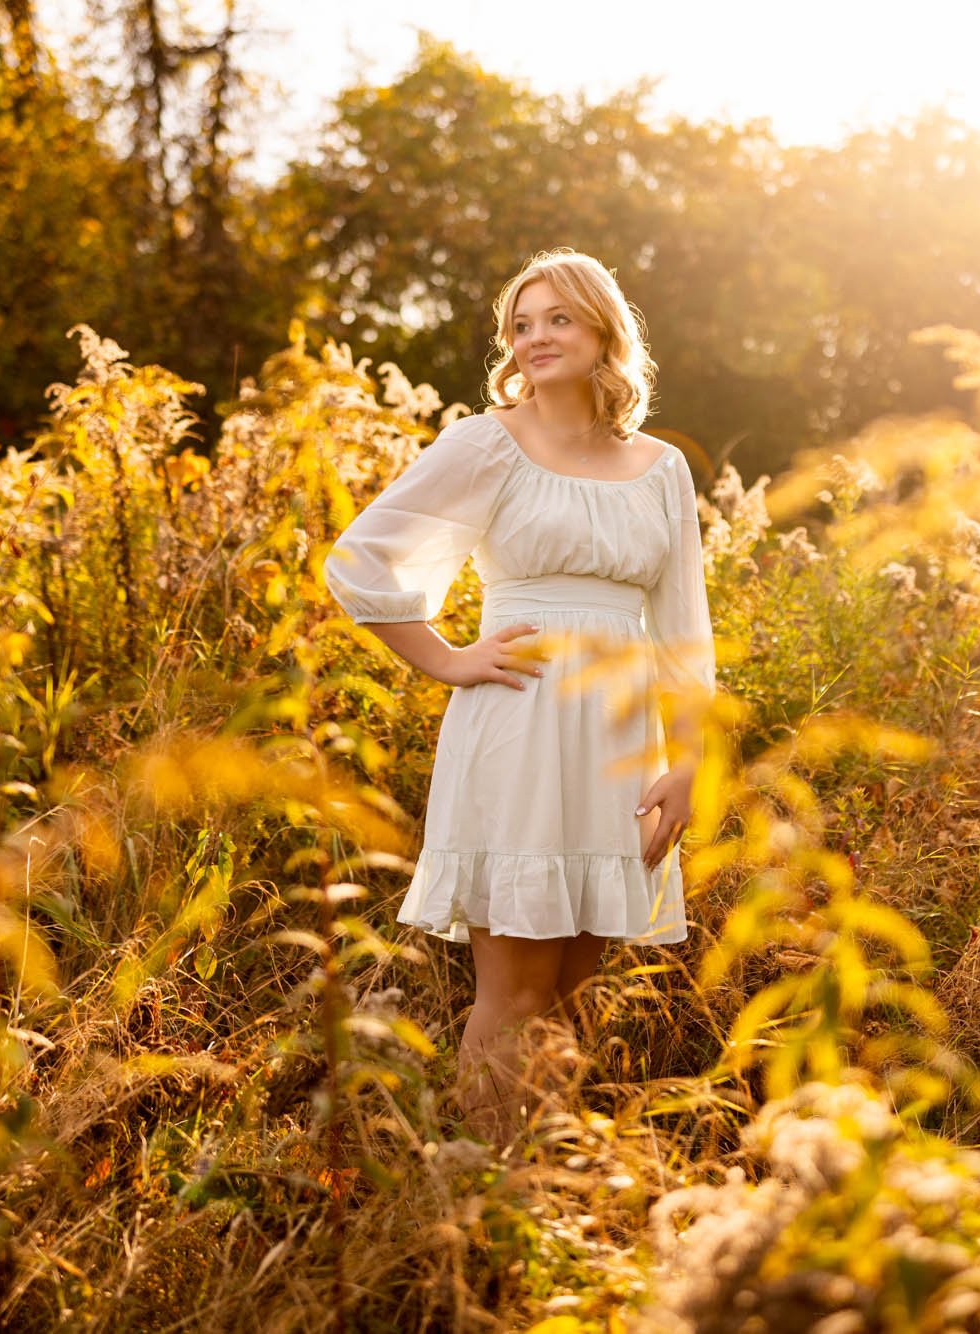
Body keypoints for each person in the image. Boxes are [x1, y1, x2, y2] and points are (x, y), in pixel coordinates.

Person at [319, 248, 716, 1138]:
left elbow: (684, 633)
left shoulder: (659, 468)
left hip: (618, 744)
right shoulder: (485, 442)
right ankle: (480, 1192)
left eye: (557, 319)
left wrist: (689, 762)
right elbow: (359, 560)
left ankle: (539, 1184)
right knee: (515, 990)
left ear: (604, 331)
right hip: (519, 725)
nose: (535, 337)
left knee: (570, 993)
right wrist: (445, 657)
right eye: (521, 325)